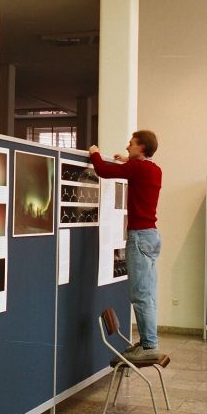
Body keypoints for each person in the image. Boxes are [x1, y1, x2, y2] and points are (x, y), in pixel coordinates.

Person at [89, 130, 162, 361]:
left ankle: (149, 346)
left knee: (140, 295)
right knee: (148, 294)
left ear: (141, 148)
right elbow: (133, 169)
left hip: (139, 237)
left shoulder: (137, 168)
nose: (127, 146)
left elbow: (103, 170)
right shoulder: (154, 169)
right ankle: (149, 341)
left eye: (131, 144)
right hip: (152, 237)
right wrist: (126, 160)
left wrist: (94, 153)